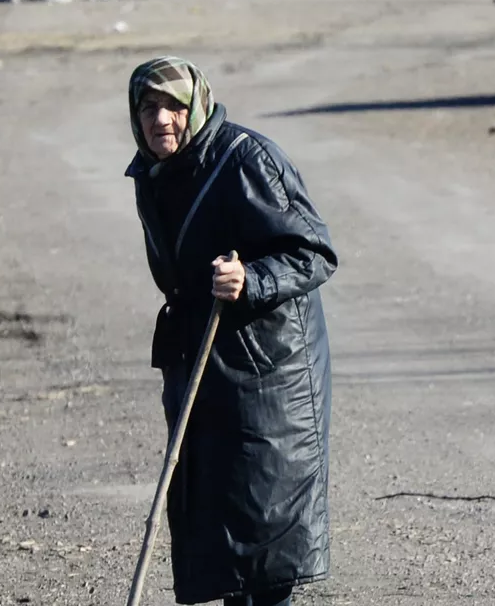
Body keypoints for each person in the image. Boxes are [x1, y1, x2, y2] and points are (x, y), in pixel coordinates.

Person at [125, 57, 337, 606]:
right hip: (203, 364)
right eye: (149, 107)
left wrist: (252, 277)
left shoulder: (246, 160)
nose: (161, 119)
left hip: (269, 372)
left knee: (265, 531)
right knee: (219, 528)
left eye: (173, 105)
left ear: (195, 106)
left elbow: (313, 252)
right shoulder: (153, 175)